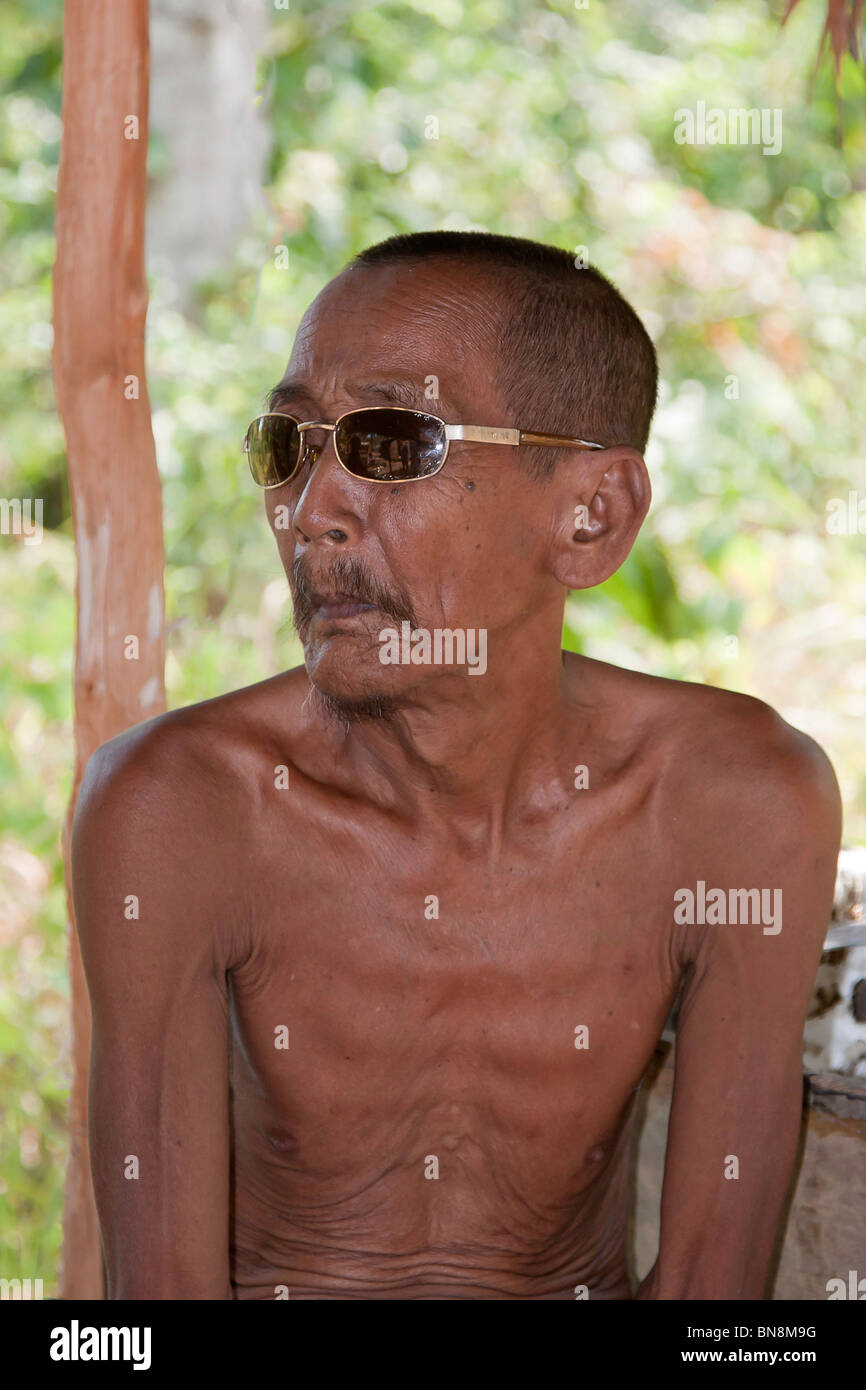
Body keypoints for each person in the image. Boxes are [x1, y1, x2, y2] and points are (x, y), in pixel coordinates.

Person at [72, 230, 841, 1300]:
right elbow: (152, 1312)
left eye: (390, 444)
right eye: (288, 444)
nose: (311, 510)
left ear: (592, 515)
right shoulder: (183, 805)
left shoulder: (733, 800)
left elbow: (717, 1291)